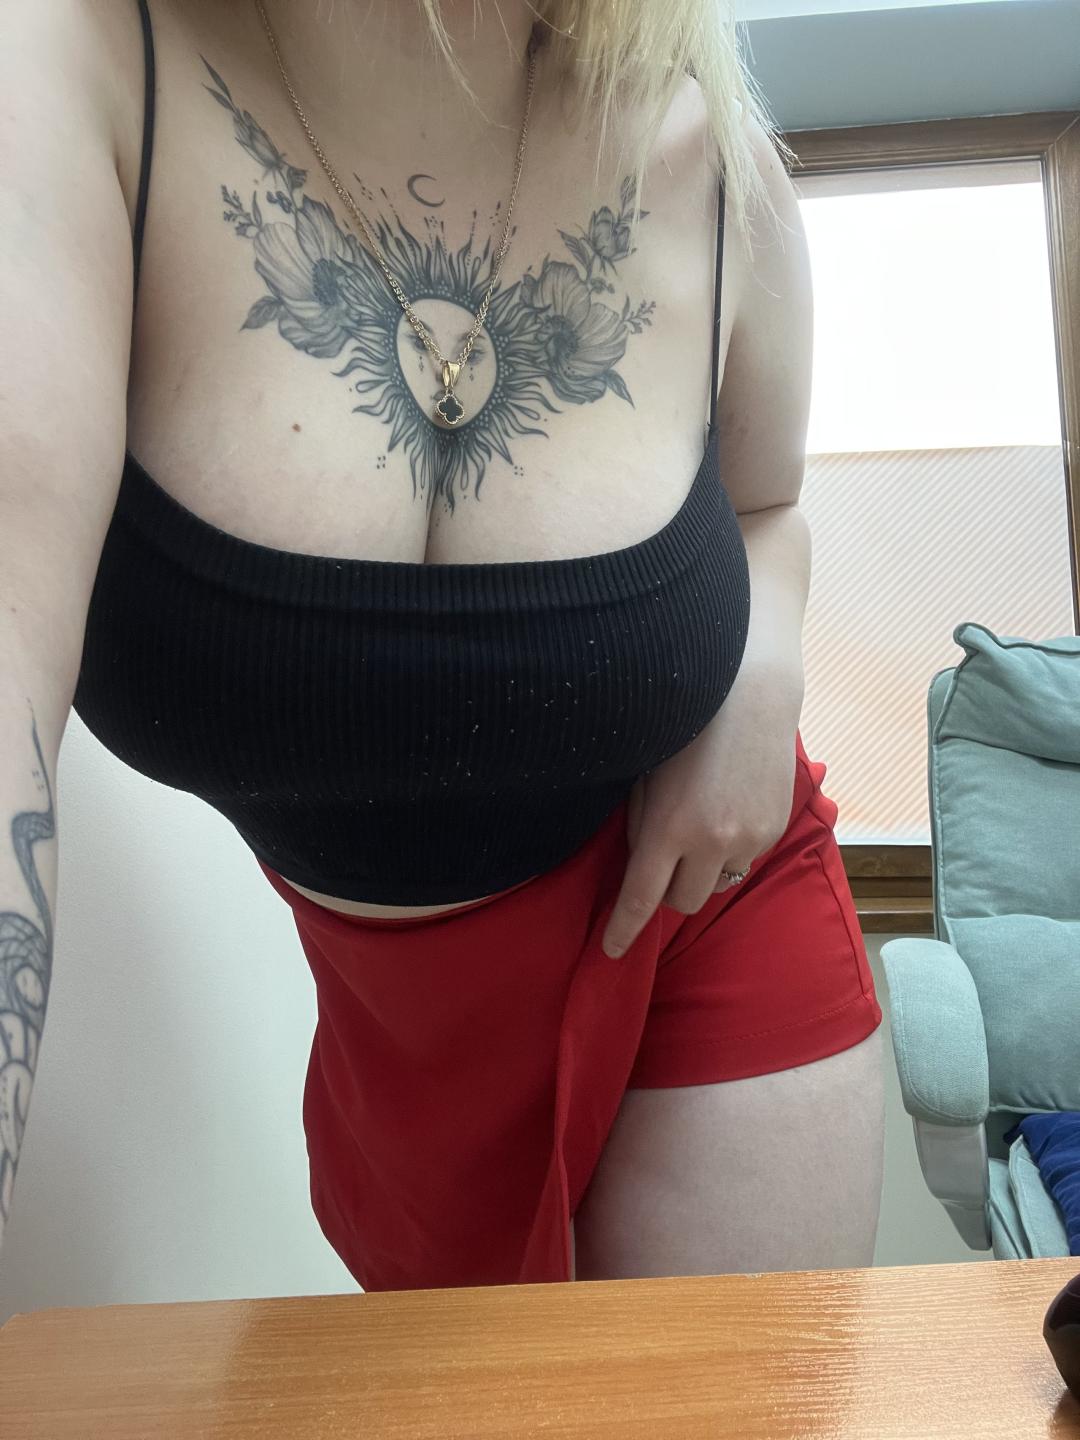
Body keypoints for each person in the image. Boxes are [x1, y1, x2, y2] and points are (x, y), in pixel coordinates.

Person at [0, 0, 885, 1291]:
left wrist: (767, 667)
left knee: (722, 1395)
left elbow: (768, 508)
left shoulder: (720, 164)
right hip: (403, 1034)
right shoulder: (75, 54)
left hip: (698, 896)